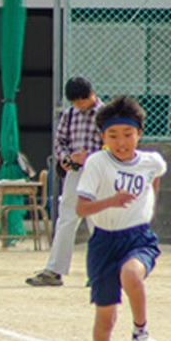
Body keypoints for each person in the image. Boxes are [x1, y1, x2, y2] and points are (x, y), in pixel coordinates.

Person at [76, 97, 167, 341]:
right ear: (102, 137)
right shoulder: (96, 164)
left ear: (139, 134)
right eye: (113, 136)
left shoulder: (151, 161)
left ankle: (141, 333)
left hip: (137, 238)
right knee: (106, 317)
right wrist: (111, 201)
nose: (121, 142)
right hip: (103, 243)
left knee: (131, 274)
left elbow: (156, 179)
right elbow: (81, 208)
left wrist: (147, 208)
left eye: (128, 134)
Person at [26, 76, 104, 286]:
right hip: (76, 172)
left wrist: (90, 157)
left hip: (99, 172)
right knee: (67, 218)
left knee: (97, 221)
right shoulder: (70, 115)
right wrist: (67, 159)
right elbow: (60, 141)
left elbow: (114, 146)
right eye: (74, 103)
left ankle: (100, 272)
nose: (79, 106)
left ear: (90, 95)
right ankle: (54, 270)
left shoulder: (104, 115)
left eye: (81, 101)